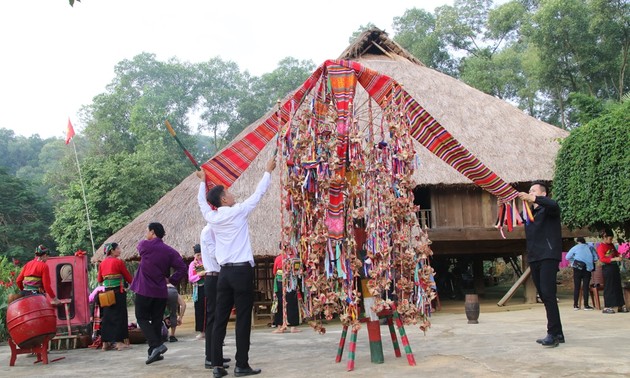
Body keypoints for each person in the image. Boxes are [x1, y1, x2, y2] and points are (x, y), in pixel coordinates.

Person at [204, 157, 276, 378]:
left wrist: (201, 184)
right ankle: (241, 364)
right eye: (229, 192)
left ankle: (216, 365)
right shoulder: (238, 211)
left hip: (224, 272)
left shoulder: (213, 218)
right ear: (224, 199)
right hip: (241, 270)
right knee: (243, 318)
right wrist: (267, 171)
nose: (232, 194)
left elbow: (203, 207)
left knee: (220, 319)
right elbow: (258, 195)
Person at [130, 222, 187, 365]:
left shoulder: (144, 245)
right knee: (156, 319)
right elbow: (182, 268)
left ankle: (156, 345)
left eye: (147, 231)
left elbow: (140, 249)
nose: (146, 234)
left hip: (144, 289)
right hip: (161, 291)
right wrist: (172, 280)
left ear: (153, 232)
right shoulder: (170, 251)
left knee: (141, 318)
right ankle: (153, 352)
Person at [518, 181, 564, 347]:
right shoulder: (530, 213)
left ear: (542, 194)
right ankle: (558, 332)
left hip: (548, 256)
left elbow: (554, 203)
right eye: (529, 191)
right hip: (534, 257)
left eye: (534, 191)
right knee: (544, 296)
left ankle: (552, 333)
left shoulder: (549, 209)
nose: (530, 193)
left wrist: (532, 197)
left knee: (548, 293)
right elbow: (513, 218)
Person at [196, 174, 231, 370]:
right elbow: (214, 254)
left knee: (219, 318)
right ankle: (210, 356)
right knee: (213, 318)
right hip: (214, 277)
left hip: (217, 277)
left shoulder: (213, 230)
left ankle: (216, 354)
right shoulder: (208, 231)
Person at [97, 242, 133, 351]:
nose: (119, 250)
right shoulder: (118, 262)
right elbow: (128, 278)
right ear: (112, 250)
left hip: (106, 294)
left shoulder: (102, 264)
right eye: (118, 248)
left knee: (107, 317)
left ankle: (105, 343)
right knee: (119, 316)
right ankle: (118, 342)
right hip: (118, 293)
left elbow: (99, 280)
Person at [596, 229, 629, 314]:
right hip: (607, 269)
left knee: (617, 286)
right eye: (609, 239)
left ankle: (620, 305)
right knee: (609, 287)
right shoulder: (601, 247)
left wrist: (619, 255)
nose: (611, 241)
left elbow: (616, 253)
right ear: (604, 237)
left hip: (614, 268)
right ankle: (607, 306)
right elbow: (603, 259)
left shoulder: (611, 245)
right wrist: (615, 259)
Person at [272, 251, 301, 333]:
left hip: (281, 281)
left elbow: (274, 271)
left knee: (280, 303)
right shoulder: (294, 257)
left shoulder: (278, 258)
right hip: (290, 282)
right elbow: (298, 270)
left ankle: (279, 326)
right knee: (291, 302)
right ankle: (293, 326)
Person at [565, 237, 598, 311]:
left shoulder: (575, 247)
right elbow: (596, 258)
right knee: (586, 287)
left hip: (577, 268)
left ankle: (575, 305)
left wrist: (573, 261)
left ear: (578, 242)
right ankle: (586, 305)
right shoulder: (590, 247)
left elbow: (567, 257)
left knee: (577, 287)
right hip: (587, 268)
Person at [188, 244, 206, 340]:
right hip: (198, 288)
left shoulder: (206, 262)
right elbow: (191, 278)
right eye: (198, 255)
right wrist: (199, 275)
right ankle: (201, 331)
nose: (200, 257)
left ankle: (208, 330)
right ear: (195, 255)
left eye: (201, 254)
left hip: (207, 288)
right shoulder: (193, 264)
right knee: (199, 310)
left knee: (207, 309)